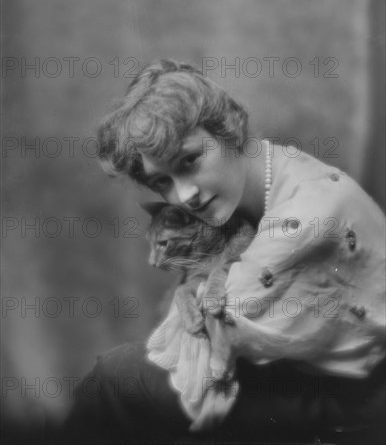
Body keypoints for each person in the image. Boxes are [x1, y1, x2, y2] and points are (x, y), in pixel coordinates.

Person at [63, 59, 385, 444]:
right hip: (306, 372)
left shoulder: (304, 214)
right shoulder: (271, 168)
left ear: (228, 130)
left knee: (113, 379)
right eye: (162, 181)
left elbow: (217, 326)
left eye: (191, 160)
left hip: (349, 399)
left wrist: (192, 289)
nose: (185, 195)